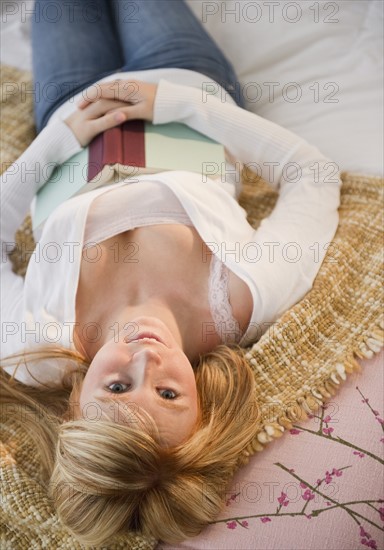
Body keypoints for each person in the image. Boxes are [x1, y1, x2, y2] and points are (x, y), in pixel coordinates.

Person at [0, 0, 342, 546]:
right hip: (179, 77)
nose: (145, 357)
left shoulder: (36, 347)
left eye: (117, 386)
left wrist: (59, 140)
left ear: (73, 407)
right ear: (201, 409)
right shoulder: (242, 294)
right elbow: (312, 175)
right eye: (167, 394)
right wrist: (177, 103)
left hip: (69, 104)